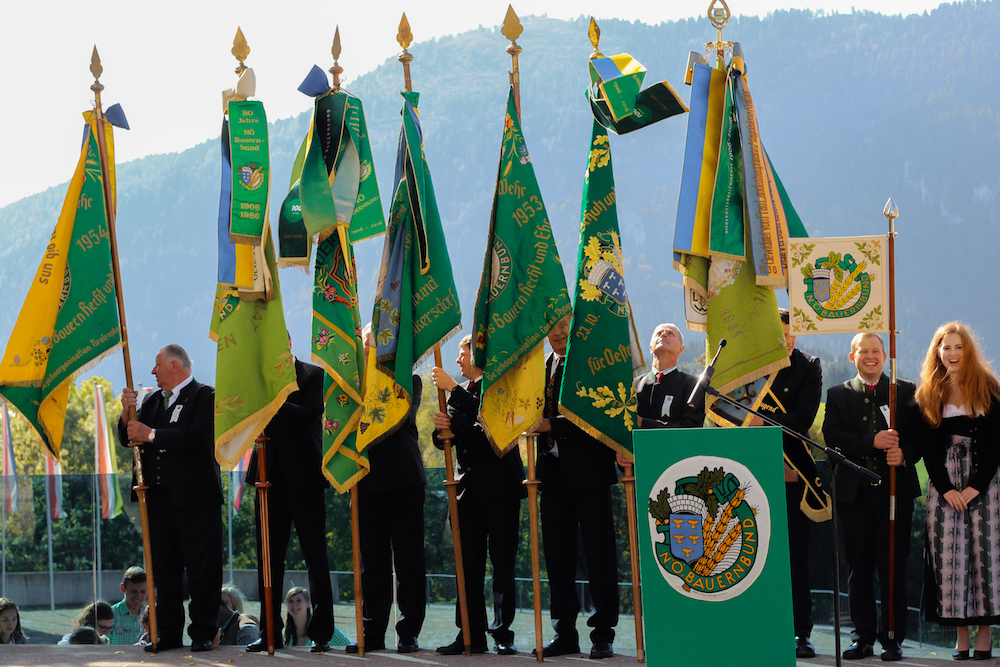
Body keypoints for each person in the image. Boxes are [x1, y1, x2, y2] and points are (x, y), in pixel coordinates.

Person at [117, 344, 223, 653]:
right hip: (159, 500)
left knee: (203, 569)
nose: (153, 371)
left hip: (196, 499)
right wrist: (127, 414)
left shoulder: (206, 396)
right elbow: (128, 437)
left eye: (158, 365)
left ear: (174, 366)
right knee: (164, 569)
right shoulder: (151, 401)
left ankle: (203, 631)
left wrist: (151, 434)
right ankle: (169, 633)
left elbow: (198, 435)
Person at [822, 333, 920, 661]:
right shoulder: (838, 394)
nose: (870, 357)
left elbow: (923, 437)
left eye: (876, 351)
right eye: (863, 351)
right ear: (853, 357)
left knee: (892, 566)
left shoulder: (905, 392)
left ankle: (892, 638)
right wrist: (872, 442)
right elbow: (831, 435)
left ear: (884, 354)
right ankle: (862, 637)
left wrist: (904, 455)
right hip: (855, 495)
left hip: (895, 494)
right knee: (858, 567)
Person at [431, 334, 526, 656]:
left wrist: (453, 390)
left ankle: (502, 633)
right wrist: (440, 426)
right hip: (467, 492)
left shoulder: (500, 383)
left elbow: (493, 420)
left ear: (479, 355)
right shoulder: (464, 393)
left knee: (502, 565)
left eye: (463, 354)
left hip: (500, 489)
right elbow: (448, 435)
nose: (458, 361)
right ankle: (469, 633)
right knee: (466, 565)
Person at [533, 313, 619, 660]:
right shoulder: (538, 370)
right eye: (551, 325)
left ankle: (603, 634)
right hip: (551, 475)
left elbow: (596, 412)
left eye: (565, 324)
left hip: (590, 474)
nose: (558, 332)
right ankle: (564, 633)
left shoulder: (591, 364)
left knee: (599, 556)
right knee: (557, 559)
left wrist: (549, 424)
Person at [915, 321, 1000, 661]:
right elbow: (927, 447)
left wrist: (975, 487)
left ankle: (985, 636)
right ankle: (961, 636)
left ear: (968, 350)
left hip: (987, 484)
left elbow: (996, 444)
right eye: (945, 347)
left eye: (957, 346)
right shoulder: (928, 393)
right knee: (951, 559)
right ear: (937, 352)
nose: (951, 353)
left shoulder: (989, 388)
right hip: (944, 488)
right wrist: (947, 489)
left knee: (986, 557)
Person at [244, 349, 336, 654]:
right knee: (268, 561)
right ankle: (268, 632)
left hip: (305, 479)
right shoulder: (259, 379)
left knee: (315, 557)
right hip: (266, 482)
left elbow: (309, 413)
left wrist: (273, 401)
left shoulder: (312, 375)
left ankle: (321, 632)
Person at [346, 325, 426, 654]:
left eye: (375, 344)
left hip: (404, 480)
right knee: (373, 564)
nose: (369, 350)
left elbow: (397, 420)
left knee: (409, 561)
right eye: (365, 345)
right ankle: (373, 631)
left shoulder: (408, 380)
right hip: (365, 483)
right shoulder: (350, 389)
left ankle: (408, 632)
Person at [753, 308, 827, 659]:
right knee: (756, 553)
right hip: (751, 471)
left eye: (791, 334)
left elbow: (801, 420)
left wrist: (760, 422)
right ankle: (762, 625)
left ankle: (801, 632)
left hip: (792, 472)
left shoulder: (809, 366)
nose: (787, 340)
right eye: (780, 335)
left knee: (795, 556)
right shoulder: (749, 366)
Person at [634, 323, 705, 429]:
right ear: (650, 348)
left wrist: (643, 423)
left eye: (670, 333)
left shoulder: (693, 385)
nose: (663, 335)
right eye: (658, 333)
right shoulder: (634, 384)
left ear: (681, 349)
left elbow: (691, 428)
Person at [109, 566, 147, 645]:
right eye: (134, 591)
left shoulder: (150, 616)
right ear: (123, 588)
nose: (139, 596)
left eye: (143, 591)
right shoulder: (112, 615)